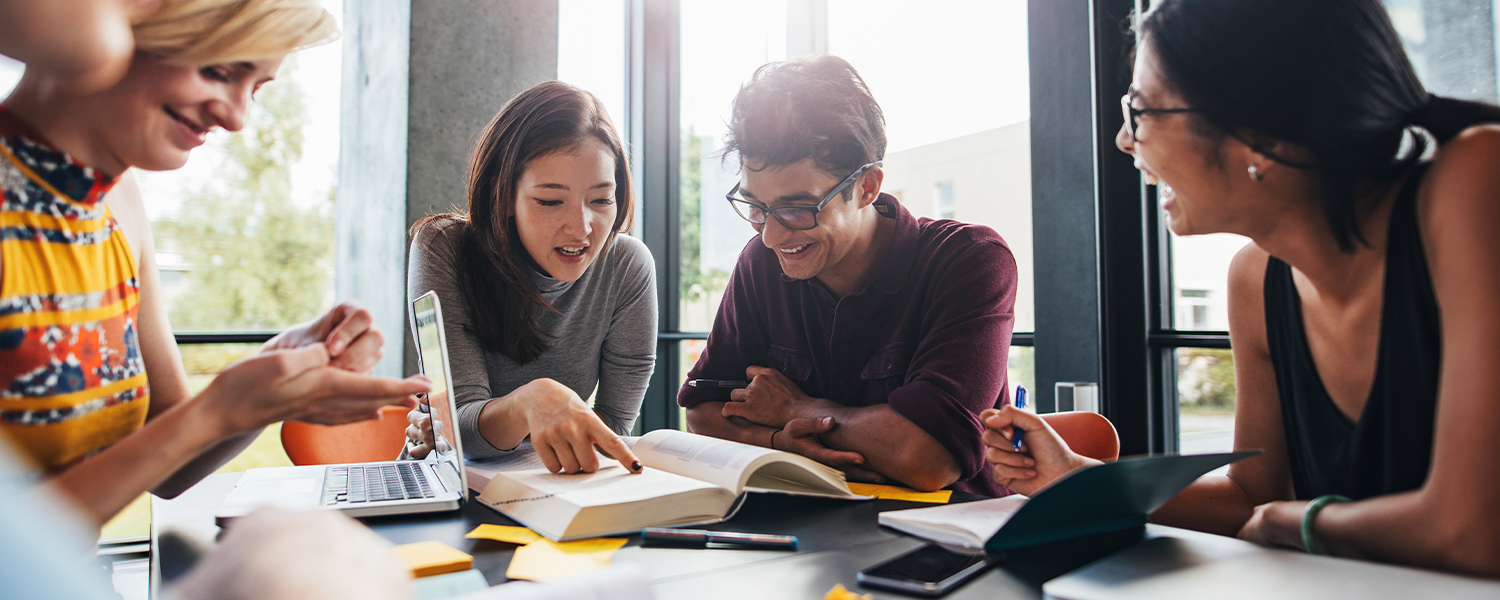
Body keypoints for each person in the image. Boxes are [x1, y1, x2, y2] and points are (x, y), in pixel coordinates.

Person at [983, 0, 1500, 576]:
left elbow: (1474, 531)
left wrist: (1296, 522)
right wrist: (1074, 475)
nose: (1125, 140)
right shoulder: (1256, 280)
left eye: (1140, 109)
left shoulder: (1474, 179)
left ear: (1255, 132)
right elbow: (1250, 497)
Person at [0, 0, 430, 528]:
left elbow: (170, 465)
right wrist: (216, 411)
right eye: (220, 72)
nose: (235, 117)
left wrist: (267, 380)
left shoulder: (117, 204)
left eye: (255, 89)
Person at [678, 55, 1018, 495]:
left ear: (867, 187)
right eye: (756, 208)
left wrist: (794, 408)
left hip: (945, 535)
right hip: (802, 532)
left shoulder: (970, 262)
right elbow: (703, 413)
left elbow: (927, 459)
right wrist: (780, 441)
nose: (771, 236)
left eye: (797, 209)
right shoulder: (760, 264)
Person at [406, 81, 656, 476]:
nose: (581, 228)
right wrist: (530, 403)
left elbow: (611, 435)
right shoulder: (445, 248)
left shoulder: (627, 267)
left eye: (601, 199)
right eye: (550, 201)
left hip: (552, 490)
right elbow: (458, 435)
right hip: (450, 491)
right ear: (502, 196)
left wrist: (477, 424)